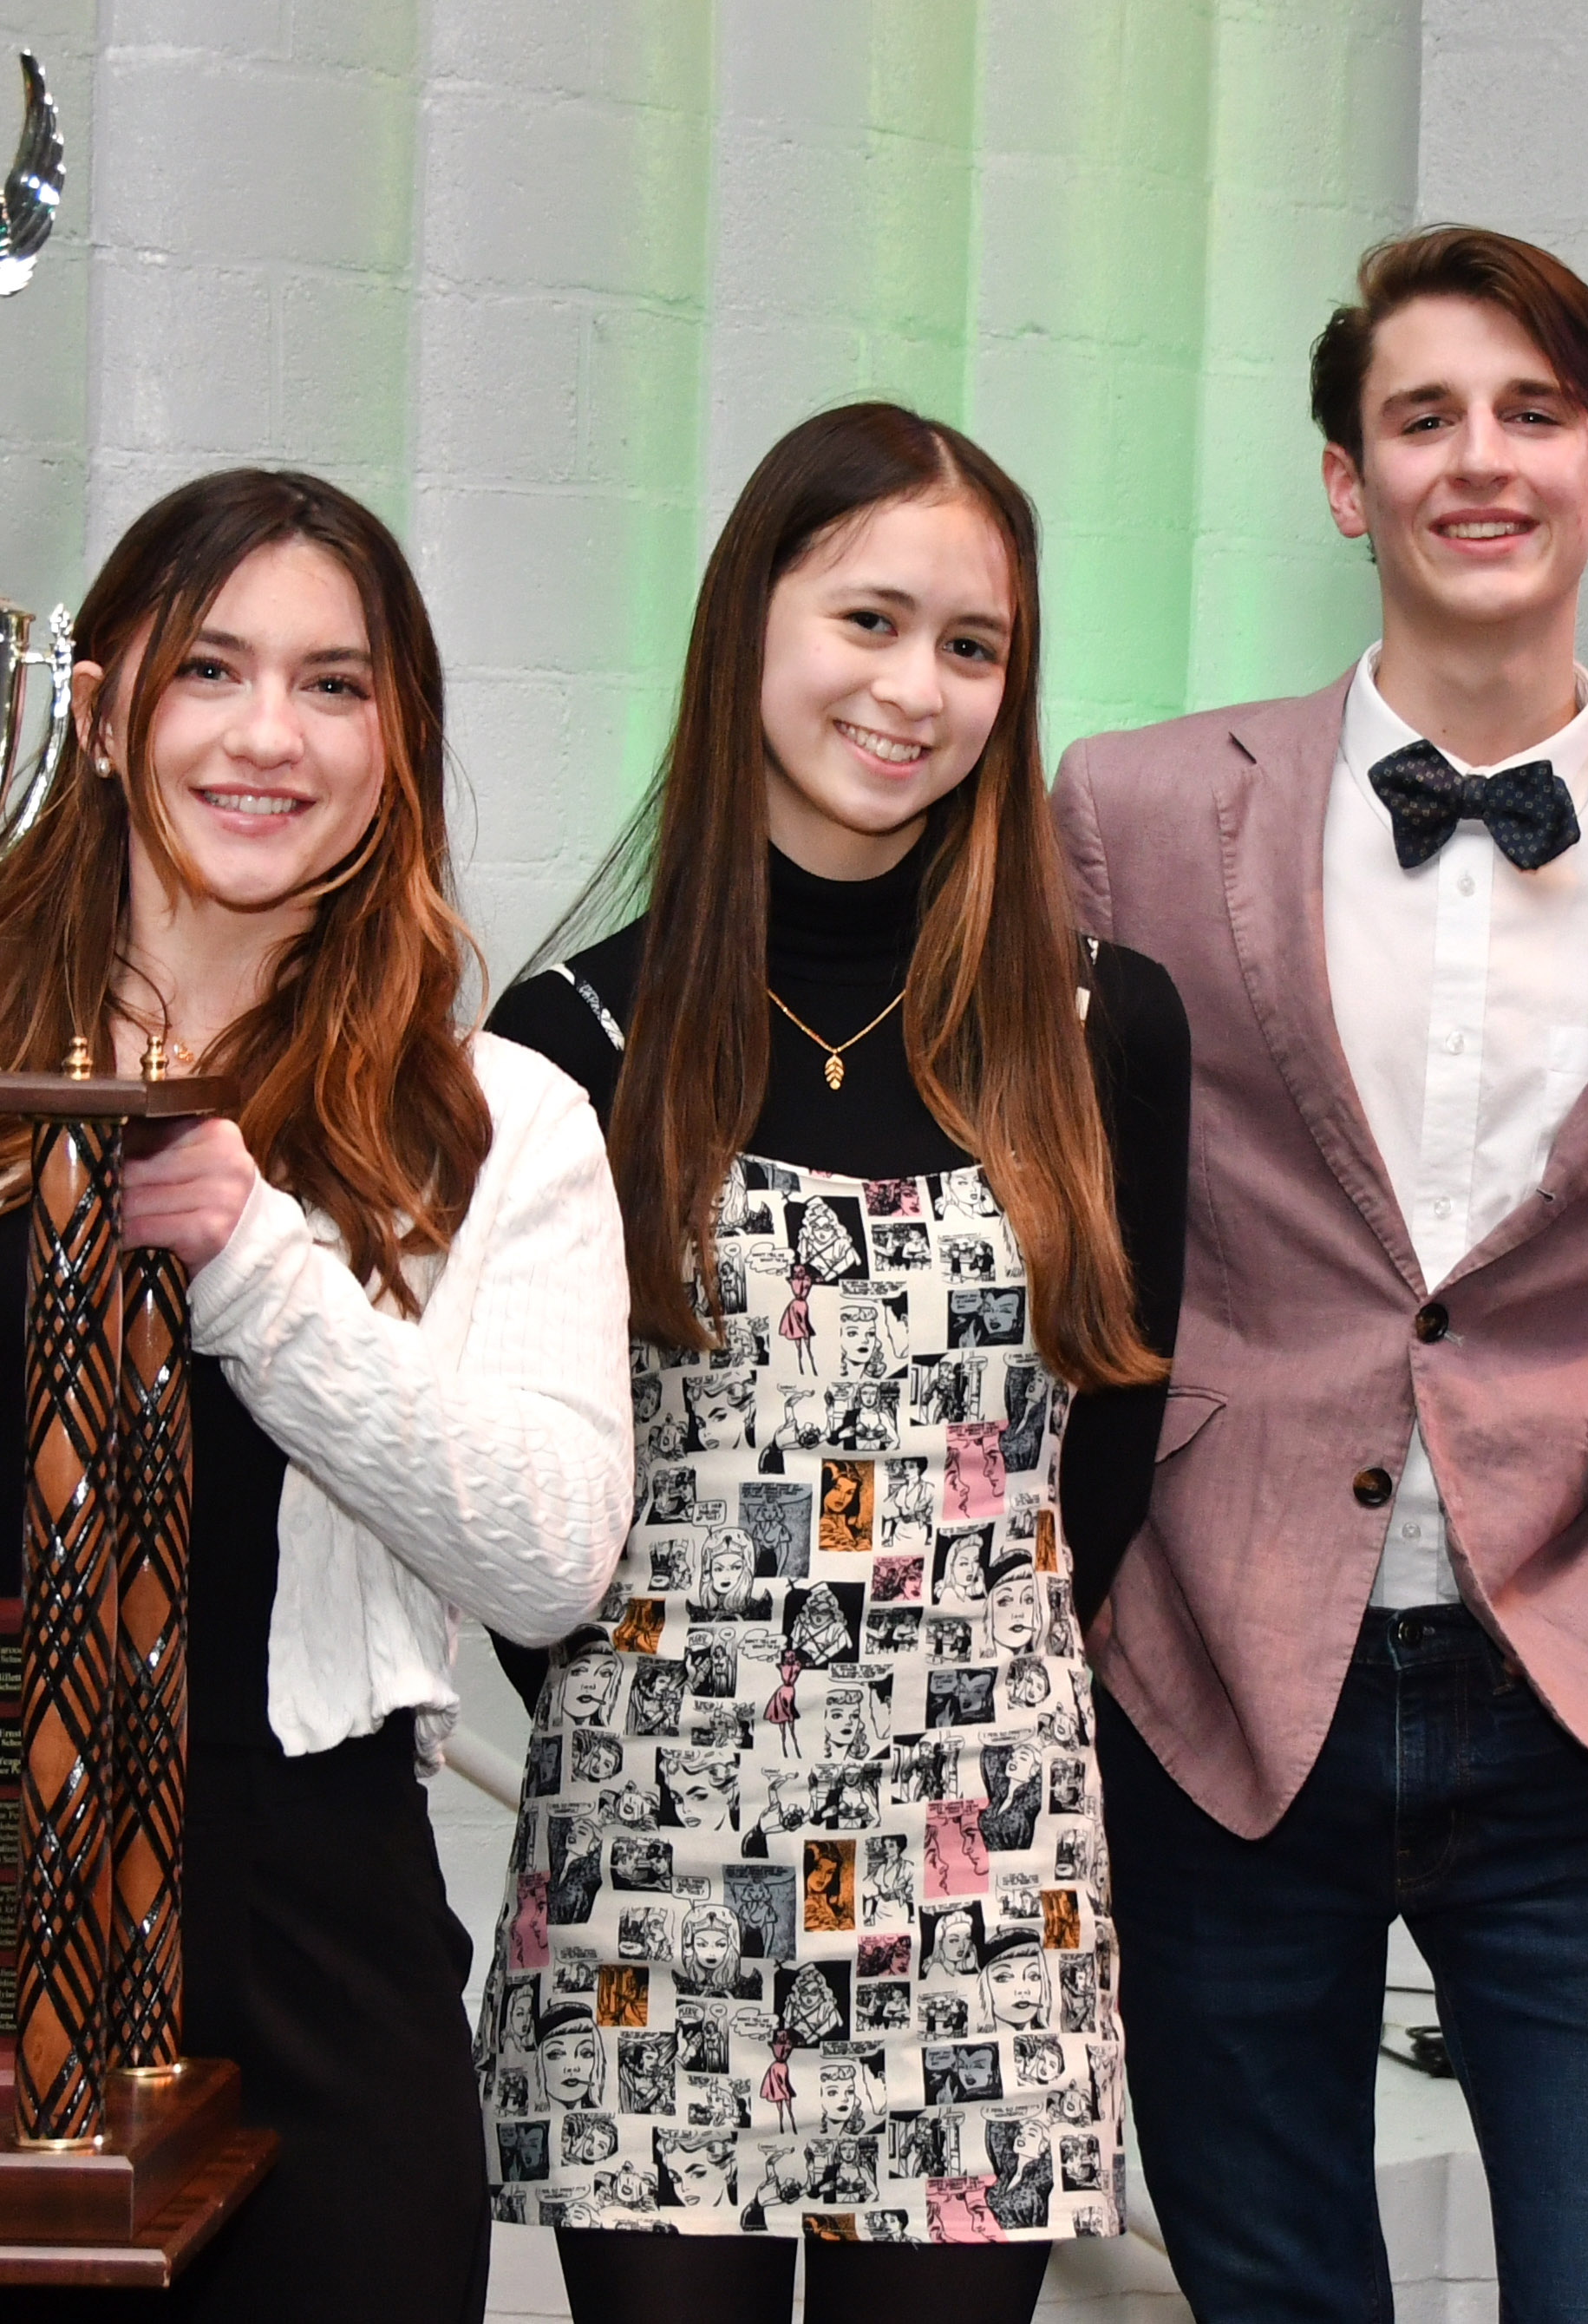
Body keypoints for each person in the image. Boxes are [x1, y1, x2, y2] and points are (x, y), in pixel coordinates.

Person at [1052, 226, 1588, 2323]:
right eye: (1424, 417)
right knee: (1269, 2293)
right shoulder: (1133, 811)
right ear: (1348, 478)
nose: (1478, 459)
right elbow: (1050, 1236)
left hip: (1578, 1710)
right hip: (1222, 1695)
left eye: (1534, 414)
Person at [0, 468, 634, 2323]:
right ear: (94, 712)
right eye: (210, 672)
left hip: (305, 1920)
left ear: (400, 743)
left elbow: (553, 1559)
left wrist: (257, 1264)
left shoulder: (503, 1121)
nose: (269, 736)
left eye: (334, 685)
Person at [479, 404, 1190, 2321]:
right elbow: (528, 1496)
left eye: (974, 647)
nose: (918, 687)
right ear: (750, 630)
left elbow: (1108, 1460)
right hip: (660, 1869)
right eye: (869, 618)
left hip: (981, 1885)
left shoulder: (1101, 1022)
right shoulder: (568, 1037)